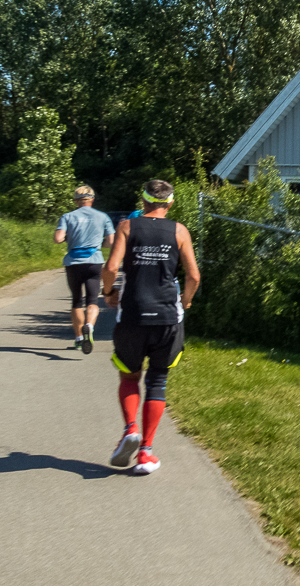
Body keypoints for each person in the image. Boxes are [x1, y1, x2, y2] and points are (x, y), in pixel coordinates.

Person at [101, 179, 199, 475]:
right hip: (168, 317)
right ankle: (145, 452)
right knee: (157, 382)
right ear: (170, 203)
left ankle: (130, 429)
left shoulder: (127, 228)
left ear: (143, 202)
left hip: (133, 315)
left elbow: (110, 268)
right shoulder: (180, 231)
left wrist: (109, 294)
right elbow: (193, 276)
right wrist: (186, 300)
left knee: (129, 377)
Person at [54, 185, 115, 354]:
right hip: (94, 261)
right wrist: (98, 245)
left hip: (73, 262)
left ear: (76, 201)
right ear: (92, 200)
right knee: (93, 300)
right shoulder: (103, 217)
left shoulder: (67, 216)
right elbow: (111, 241)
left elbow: (58, 239)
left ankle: (79, 338)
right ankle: (89, 326)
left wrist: (68, 238)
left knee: (76, 301)